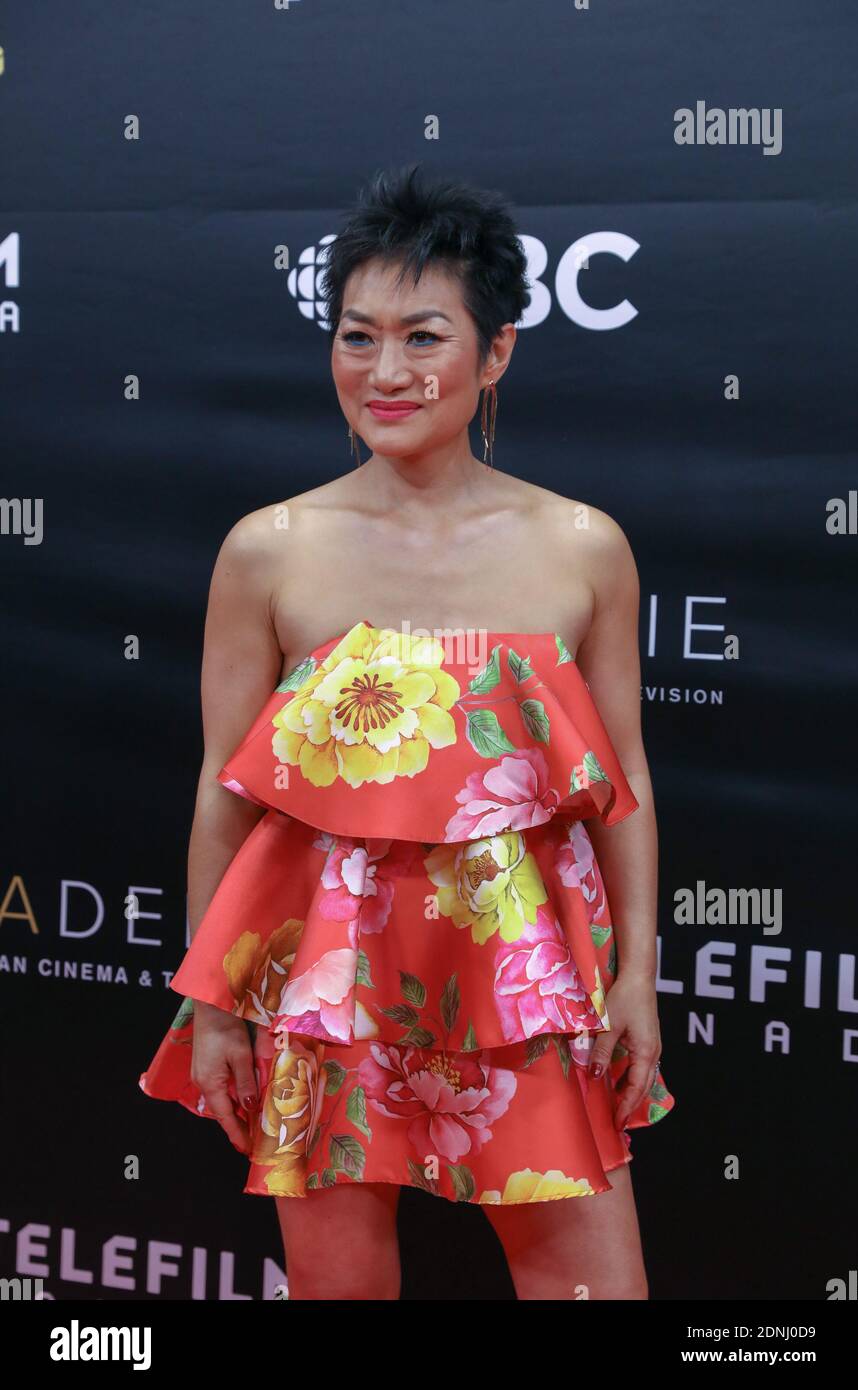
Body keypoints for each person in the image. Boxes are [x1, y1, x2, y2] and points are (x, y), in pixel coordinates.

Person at [139, 162, 674, 1301]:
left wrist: (638, 975)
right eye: (356, 336)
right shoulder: (268, 551)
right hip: (324, 989)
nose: (384, 373)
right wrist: (212, 1005)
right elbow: (225, 794)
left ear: (496, 352)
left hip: (527, 981)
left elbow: (620, 777)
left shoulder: (583, 547)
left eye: (424, 337)